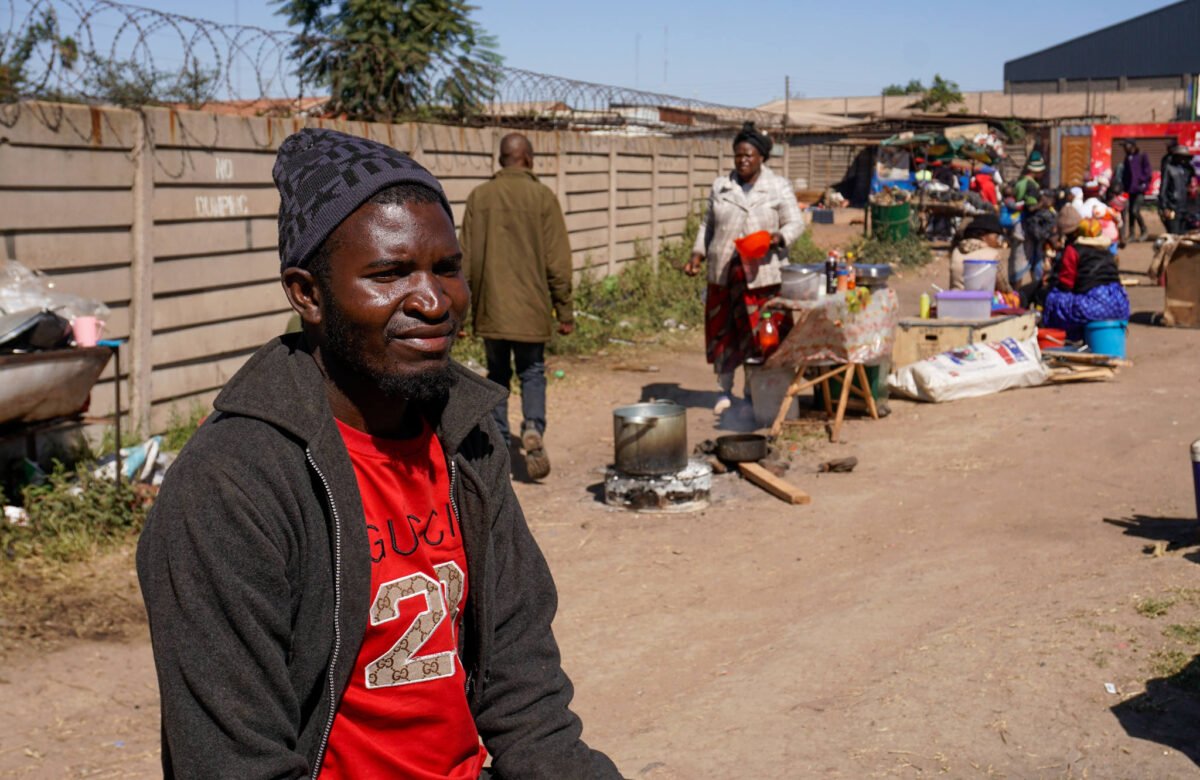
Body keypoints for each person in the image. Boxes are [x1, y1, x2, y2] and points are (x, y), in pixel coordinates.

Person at [137, 128, 621, 780]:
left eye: (447, 269)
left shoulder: (467, 439)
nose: (433, 301)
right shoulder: (232, 487)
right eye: (390, 273)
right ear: (307, 294)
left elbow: (522, 688)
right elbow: (234, 764)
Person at [461, 133, 573, 480]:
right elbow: (558, 263)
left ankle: (499, 441)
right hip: (531, 309)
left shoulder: (479, 198)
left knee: (497, 375)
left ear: (501, 159)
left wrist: (461, 314)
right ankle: (534, 426)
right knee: (532, 371)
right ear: (529, 159)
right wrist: (565, 311)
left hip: (492, 309)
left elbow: (465, 261)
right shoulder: (543, 198)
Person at [684, 122, 804, 414]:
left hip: (763, 275)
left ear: (761, 157)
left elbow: (795, 222)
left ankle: (755, 391)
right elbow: (708, 225)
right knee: (723, 334)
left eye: (749, 155)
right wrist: (698, 254)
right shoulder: (721, 186)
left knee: (762, 337)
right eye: (738, 155)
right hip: (724, 273)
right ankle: (723, 392)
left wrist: (778, 238)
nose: (743, 160)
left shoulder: (777, 186)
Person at [1040, 210, 1129, 338]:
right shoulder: (1107, 252)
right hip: (1120, 304)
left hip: (1096, 304)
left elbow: (1066, 284)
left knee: (1054, 300)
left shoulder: (1073, 250)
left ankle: (1068, 338)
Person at [949, 213, 1012, 293]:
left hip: (955, 300)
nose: (997, 241)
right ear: (983, 236)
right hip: (981, 303)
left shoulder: (956, 251)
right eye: (996, 237)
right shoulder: (993, 255)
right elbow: (1004, 287)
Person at [1119, 140, 1152, 242]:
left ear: (1132, 146)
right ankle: (1132, 234)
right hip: (1130, 189)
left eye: (1126, 146)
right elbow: (1126, 175)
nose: (1124, 148)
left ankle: (1144, 230)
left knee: (1135, 210)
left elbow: (1148, 172)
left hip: (1140, 190)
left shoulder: (1142, 155)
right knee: (1130, 212)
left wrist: (1143, 184)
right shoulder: (1127, 158)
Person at [1160, 143, 1195, 235]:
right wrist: (1165, 207)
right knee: (1174, 234)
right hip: (1173, 207)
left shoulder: (1188, 170)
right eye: (1181, 157)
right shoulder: (1169, 168)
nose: (1183, 159)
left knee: (1184, 235)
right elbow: (1163, 189)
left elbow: (1190, 186)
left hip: (1185, 208)